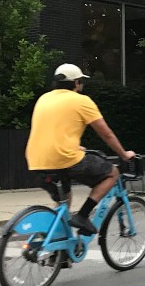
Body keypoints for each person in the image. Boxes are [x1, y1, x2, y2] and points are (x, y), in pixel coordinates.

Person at [25, 64, 135, 235]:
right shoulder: (81, 101)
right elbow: (106, 135)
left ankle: (58, 251)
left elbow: (52, 130)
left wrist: (74, 145)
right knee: (112, 173)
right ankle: (83, 216)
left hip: (36, 160)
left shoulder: (44, 98)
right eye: (81, 81)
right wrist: (124, 154)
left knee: (64, 203)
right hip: (64, 159)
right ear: (76, 83)